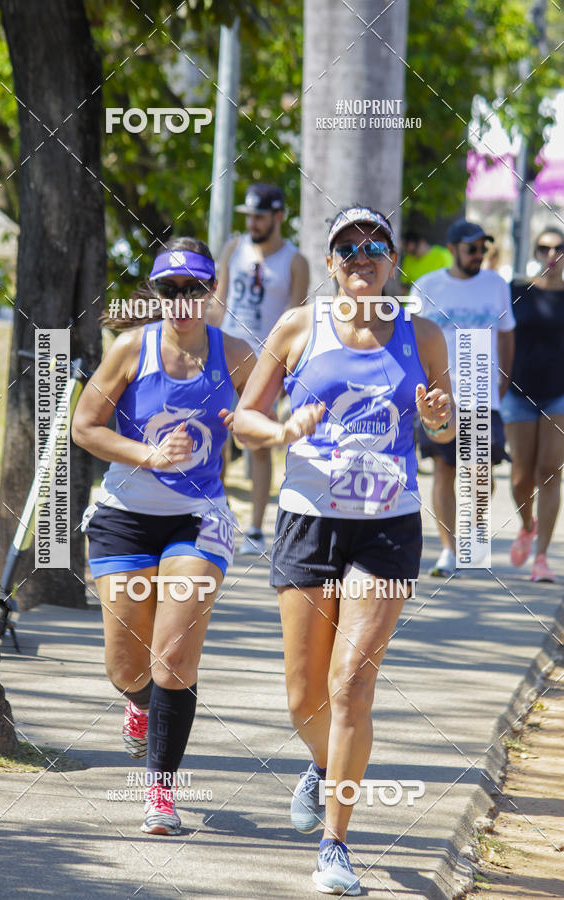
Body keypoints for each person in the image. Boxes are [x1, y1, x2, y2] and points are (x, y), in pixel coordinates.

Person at [234, 206, 454, 895]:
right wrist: (280, 429)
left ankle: (335, 845)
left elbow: (447, 435)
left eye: (374, 245)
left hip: (388, 525)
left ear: (394, 260)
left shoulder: (423, 335)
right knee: (305, 697)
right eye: (347, 248)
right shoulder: (299, 326)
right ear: (330, 264)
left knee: (351, 682)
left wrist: (439, 423)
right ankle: (325, 764)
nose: (362, 255)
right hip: (307, 520)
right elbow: (242, 421)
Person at [72, 238, 254, 834]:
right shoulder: (131, 349)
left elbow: (264, 417)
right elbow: (85, 427)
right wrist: (148, 454)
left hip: (199, 518)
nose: (181, 300)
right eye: (169, 289)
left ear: (211, 291)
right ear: (156, 293)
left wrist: (260, 428)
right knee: (129, 667)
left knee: (173, 656)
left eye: (194, 288)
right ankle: (138, 703)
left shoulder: (237, 354)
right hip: (125, 514)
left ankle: (160, 792)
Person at [410, 218, 515, 577]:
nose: (479, 255)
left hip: (482, 386)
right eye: (472, 249)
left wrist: (504, 378)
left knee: (480, 471)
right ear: (453, 249)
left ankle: (475, 533)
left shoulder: (497, 284)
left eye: (483, 249)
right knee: (444, 468)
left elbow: (506, 333)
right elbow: (412, 338)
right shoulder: (427, 285)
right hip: (442, 390)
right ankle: (449, 549)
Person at [208, 184, 310, 555]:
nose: (252, 222)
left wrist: (287, 370)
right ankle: (216, 515)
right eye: (248, 215)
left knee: (259, 442)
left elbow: (296, 317)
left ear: (279, 216)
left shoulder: (295, 261)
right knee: (215, 433)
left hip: (265, 362)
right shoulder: (234, 249)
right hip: (224, 351)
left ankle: (254, 528)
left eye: (260, 215)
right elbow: (218, 302)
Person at [502, 227, 564, 582]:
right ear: (536, 251)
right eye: (544, 248)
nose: (551, 255)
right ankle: (527, 525)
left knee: (551, 473)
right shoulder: (516, 291)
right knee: (521, 476)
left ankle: (541, 557)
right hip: (518, 392)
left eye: (558, 248)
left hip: (559, 394)